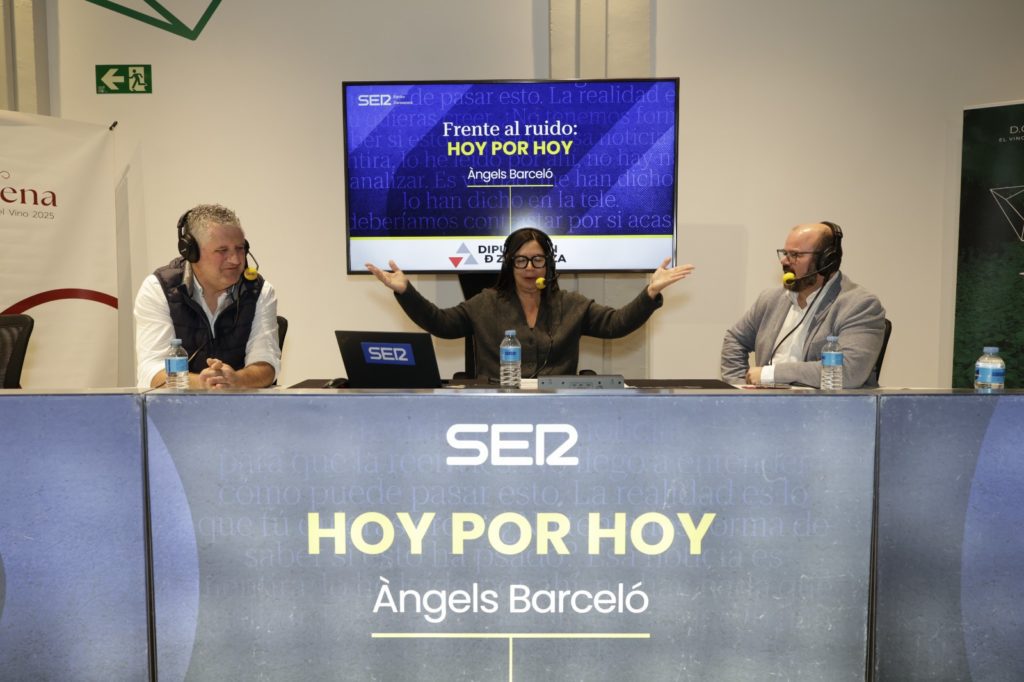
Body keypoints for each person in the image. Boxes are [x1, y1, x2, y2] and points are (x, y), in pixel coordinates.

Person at [366, 227, 695, 380]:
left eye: (537, 260)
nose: (529, 268)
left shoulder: (572, 304)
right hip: (497, 407)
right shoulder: (485, 303)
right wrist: (406, 291)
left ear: (548, 265)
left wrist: (649, 293)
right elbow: (442, 324)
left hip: (559, 409)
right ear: (509, 265)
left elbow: (616, 323)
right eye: (521, 261)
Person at [720, 221, 886, 388]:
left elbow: (849, 372)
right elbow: (735, 340)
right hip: (766, 401)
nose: (784, 261)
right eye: (785, 253)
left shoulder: (860, 305)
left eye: (795, 255)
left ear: (826, 261)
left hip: (822, 404)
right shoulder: (770, 299)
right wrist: (739, 388)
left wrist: (769, 374)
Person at [134, 204, 280, 389]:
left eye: (240, 248)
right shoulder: (159, 289)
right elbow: (151, 371)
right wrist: (202, 383)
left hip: (239, 404)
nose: (236, 260)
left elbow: (266, 364)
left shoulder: (258, 291)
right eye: (222, 250)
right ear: (191, 252)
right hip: (177, 406)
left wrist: (236, 379)